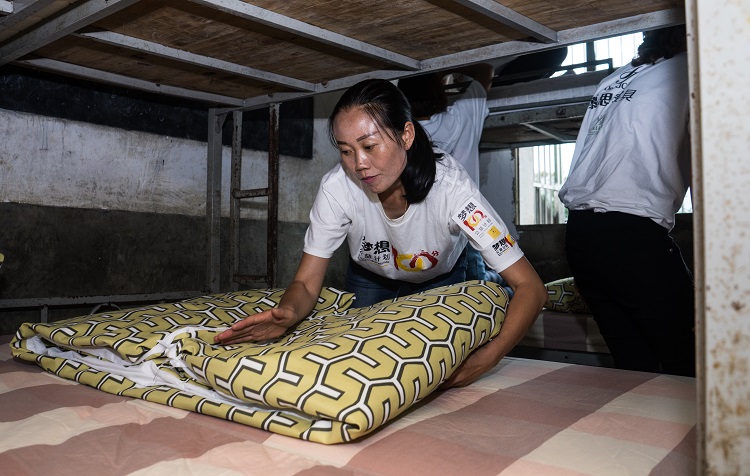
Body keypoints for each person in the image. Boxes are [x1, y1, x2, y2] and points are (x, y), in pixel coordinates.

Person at [216, 78, 548, 388]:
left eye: (369, 146)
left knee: (437, 362)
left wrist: (490, 357)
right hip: (371, 274)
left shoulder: (453, 190)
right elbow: (305, 283)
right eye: (346, 151)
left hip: (440, 275)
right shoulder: (338, 188)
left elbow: (530, 287)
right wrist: (288, 312)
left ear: (406, 135)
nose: (358, 164)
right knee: (361, 357)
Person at [558, 25, 695, 377]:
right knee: (689, 351)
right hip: (631, 232)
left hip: (581, 235)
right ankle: (700, 431)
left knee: (632, 360)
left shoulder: (617, 78)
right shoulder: (692, 69)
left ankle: (642, 428)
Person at [397, 64, 507, 287]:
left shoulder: (396, 139)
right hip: (464, 229)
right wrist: (443, 69)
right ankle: (502, 287)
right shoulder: (462, 117)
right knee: (478, 293)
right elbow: (485, 69)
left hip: (415, 233)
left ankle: (499, 283)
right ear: (439, 92)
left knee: (442, 297)